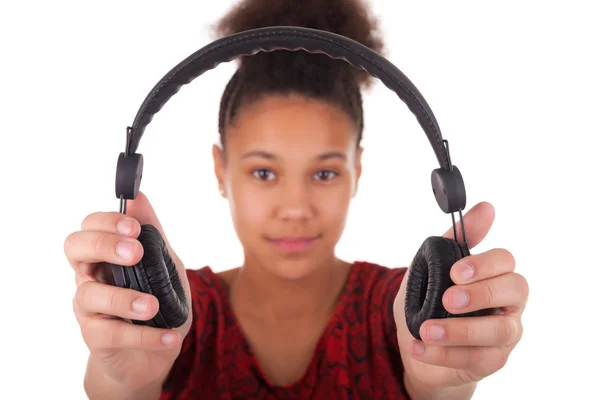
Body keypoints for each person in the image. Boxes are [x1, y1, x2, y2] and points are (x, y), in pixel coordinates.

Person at [64, 0, 529, 399]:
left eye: (324, 172)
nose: (295, 208)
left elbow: (436, 380)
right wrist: (120, 377)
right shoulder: (168, 314)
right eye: (264, 172)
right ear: (220, 171)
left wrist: (443, 372)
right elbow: (118, 387)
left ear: (357, 173)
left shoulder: (409, 305)